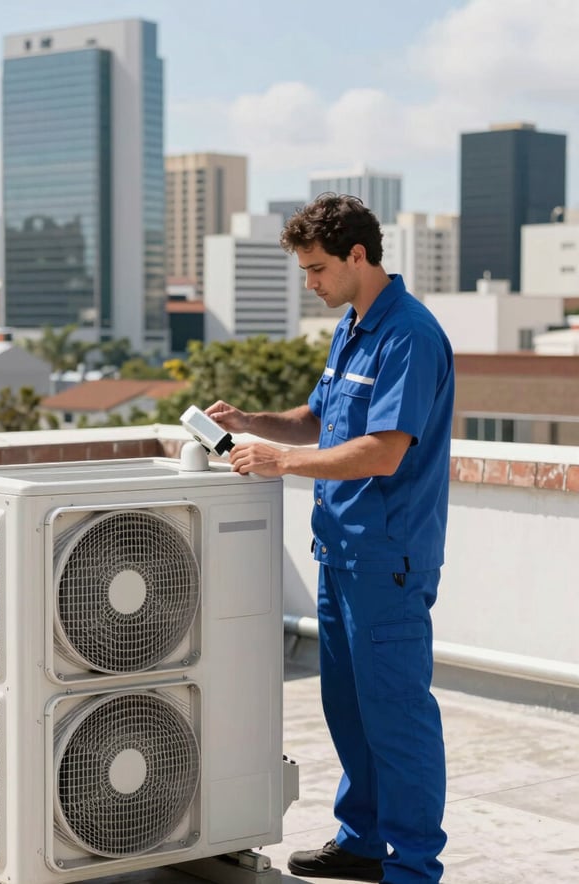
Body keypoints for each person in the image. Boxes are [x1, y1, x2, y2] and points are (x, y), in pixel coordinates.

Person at [205, 193, 454, 884]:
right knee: (348, 708)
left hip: (387, 558)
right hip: (339, 550)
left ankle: (412, 866)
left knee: (397, 717)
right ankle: (364, 842)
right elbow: (320, 421)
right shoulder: (354, 326)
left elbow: (382, 452)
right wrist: (255, 422)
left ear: (357, 256)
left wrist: (278, 462)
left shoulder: (409, 335)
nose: (309, 283)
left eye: (317, 269)